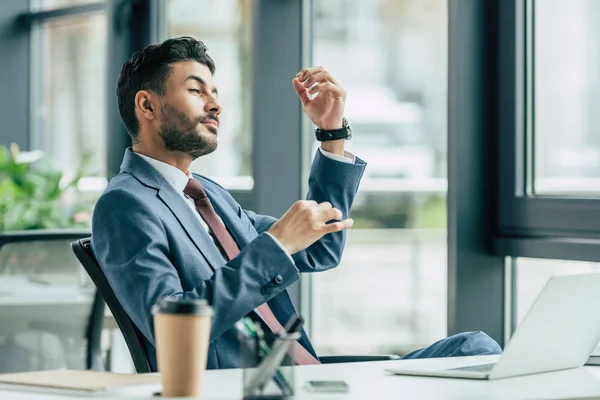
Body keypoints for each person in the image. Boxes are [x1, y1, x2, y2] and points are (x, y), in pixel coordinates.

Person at [91, 36, 501, 371]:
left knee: (476, 349)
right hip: (255, 388)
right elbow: (172, 331)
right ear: (146, 105)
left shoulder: (207, 194)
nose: (215, 104)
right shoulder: (127, 205)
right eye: (196, 90)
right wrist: (277, 246)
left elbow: (322, 246)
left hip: (308, 378)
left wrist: (331, 134)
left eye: (215, 92)